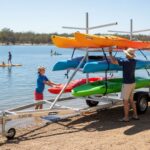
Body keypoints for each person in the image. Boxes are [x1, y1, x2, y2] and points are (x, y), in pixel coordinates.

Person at [109, 47, 139, 122]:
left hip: (127, 84)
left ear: (127, 55)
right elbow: (124, 60)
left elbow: (113, 62)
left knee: (125, 101)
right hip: (133, 83)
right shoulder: (134, 61)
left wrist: (110, 53)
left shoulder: (125, 61)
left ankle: (126, 117)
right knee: (131, 100)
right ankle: (135, 115)